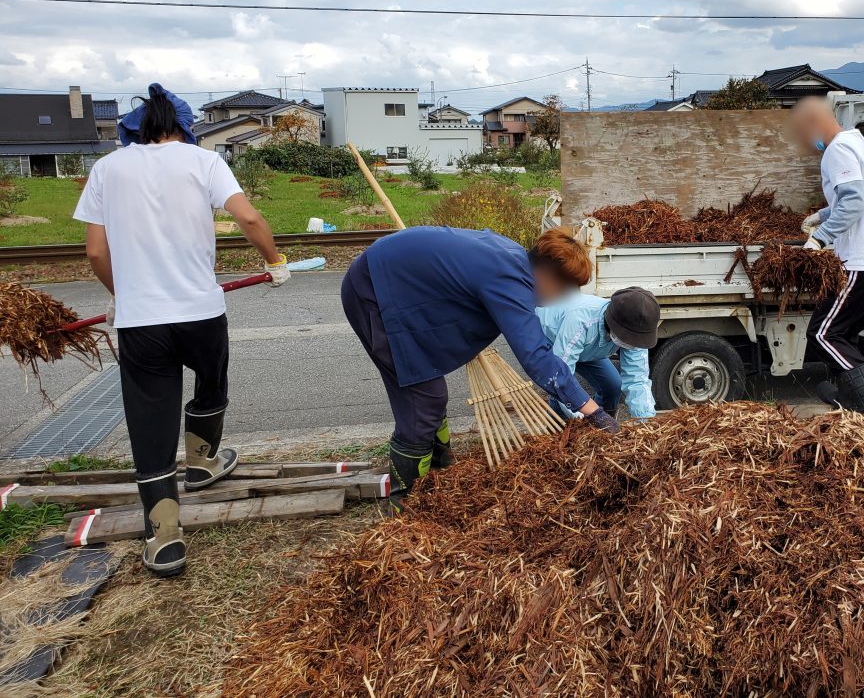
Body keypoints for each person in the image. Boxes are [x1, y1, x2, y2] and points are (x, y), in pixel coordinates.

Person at [74, 84, 289, 577]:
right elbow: (250, 218)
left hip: (141, 322)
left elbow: (96, 253)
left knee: (150, 419)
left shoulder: (107, 169)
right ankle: (203, 462)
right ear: (186, 126)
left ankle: (165, 537)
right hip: (200, 311)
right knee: (212, 382)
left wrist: (119, 294)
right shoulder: (203, 161)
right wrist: (275, 262)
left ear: (135, 130)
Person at [340, 225, 621, 509]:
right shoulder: (509, 279)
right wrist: (592, 411)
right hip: (375, 291)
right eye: (562, 290)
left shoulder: (513, 258)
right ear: (546, 274)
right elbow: (537, 358)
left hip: (397, 286)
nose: (559, 299)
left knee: (433, 396)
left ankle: (439, 475)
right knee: (422, 403)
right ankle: (405, 507)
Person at [791, 98, 864, 414]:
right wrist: (823, 215)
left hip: (860, 262)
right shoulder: (856, 142)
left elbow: (853, 203)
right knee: (845, 334)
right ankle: (851, 402)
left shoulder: (837, 150)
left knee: (823, 334)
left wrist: (819, 240)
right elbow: (852, 196)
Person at [529, 229, 660, 419]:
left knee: (612, 387)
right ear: (613, 323)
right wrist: (584, 419)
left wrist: (646, 421)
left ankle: (605, 427)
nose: (632, 343)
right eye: (628, 337)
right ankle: (560, 431)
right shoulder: (580, 321)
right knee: (561, 393)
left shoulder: (635, 328)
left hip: (589, 348)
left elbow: (637, 380)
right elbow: (561, 376)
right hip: (552, 336)